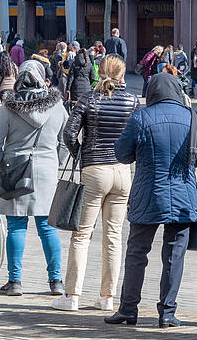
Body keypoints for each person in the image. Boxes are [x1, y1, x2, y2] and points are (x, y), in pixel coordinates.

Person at [106, 73, 197, 328]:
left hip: (148, 195)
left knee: (137, 253)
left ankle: (128, 309)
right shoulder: (192, 117)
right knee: (174, 255)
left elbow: (122, 154)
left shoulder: (141, 118)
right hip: (184, 197)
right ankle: (167, 313)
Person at [52, 55, 140, 312]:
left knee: (82, 235)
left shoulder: (89, 98)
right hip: (122, 172)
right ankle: (107, 297)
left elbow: (68, 133)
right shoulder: (132, 101)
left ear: (98, 73)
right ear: (122, 76)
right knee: (113, 236)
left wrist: (80, 153)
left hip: (94, 169)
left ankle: (72, 296)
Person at [0, 60, 68, 297]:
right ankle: (56, 281)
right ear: (42, 78)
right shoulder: (57, 106)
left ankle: (15, 282)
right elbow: (65, 141)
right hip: (46, 169)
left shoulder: (9, 106)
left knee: (16, 226)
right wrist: (56, 162)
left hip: (15, 167)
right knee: (47, 226)